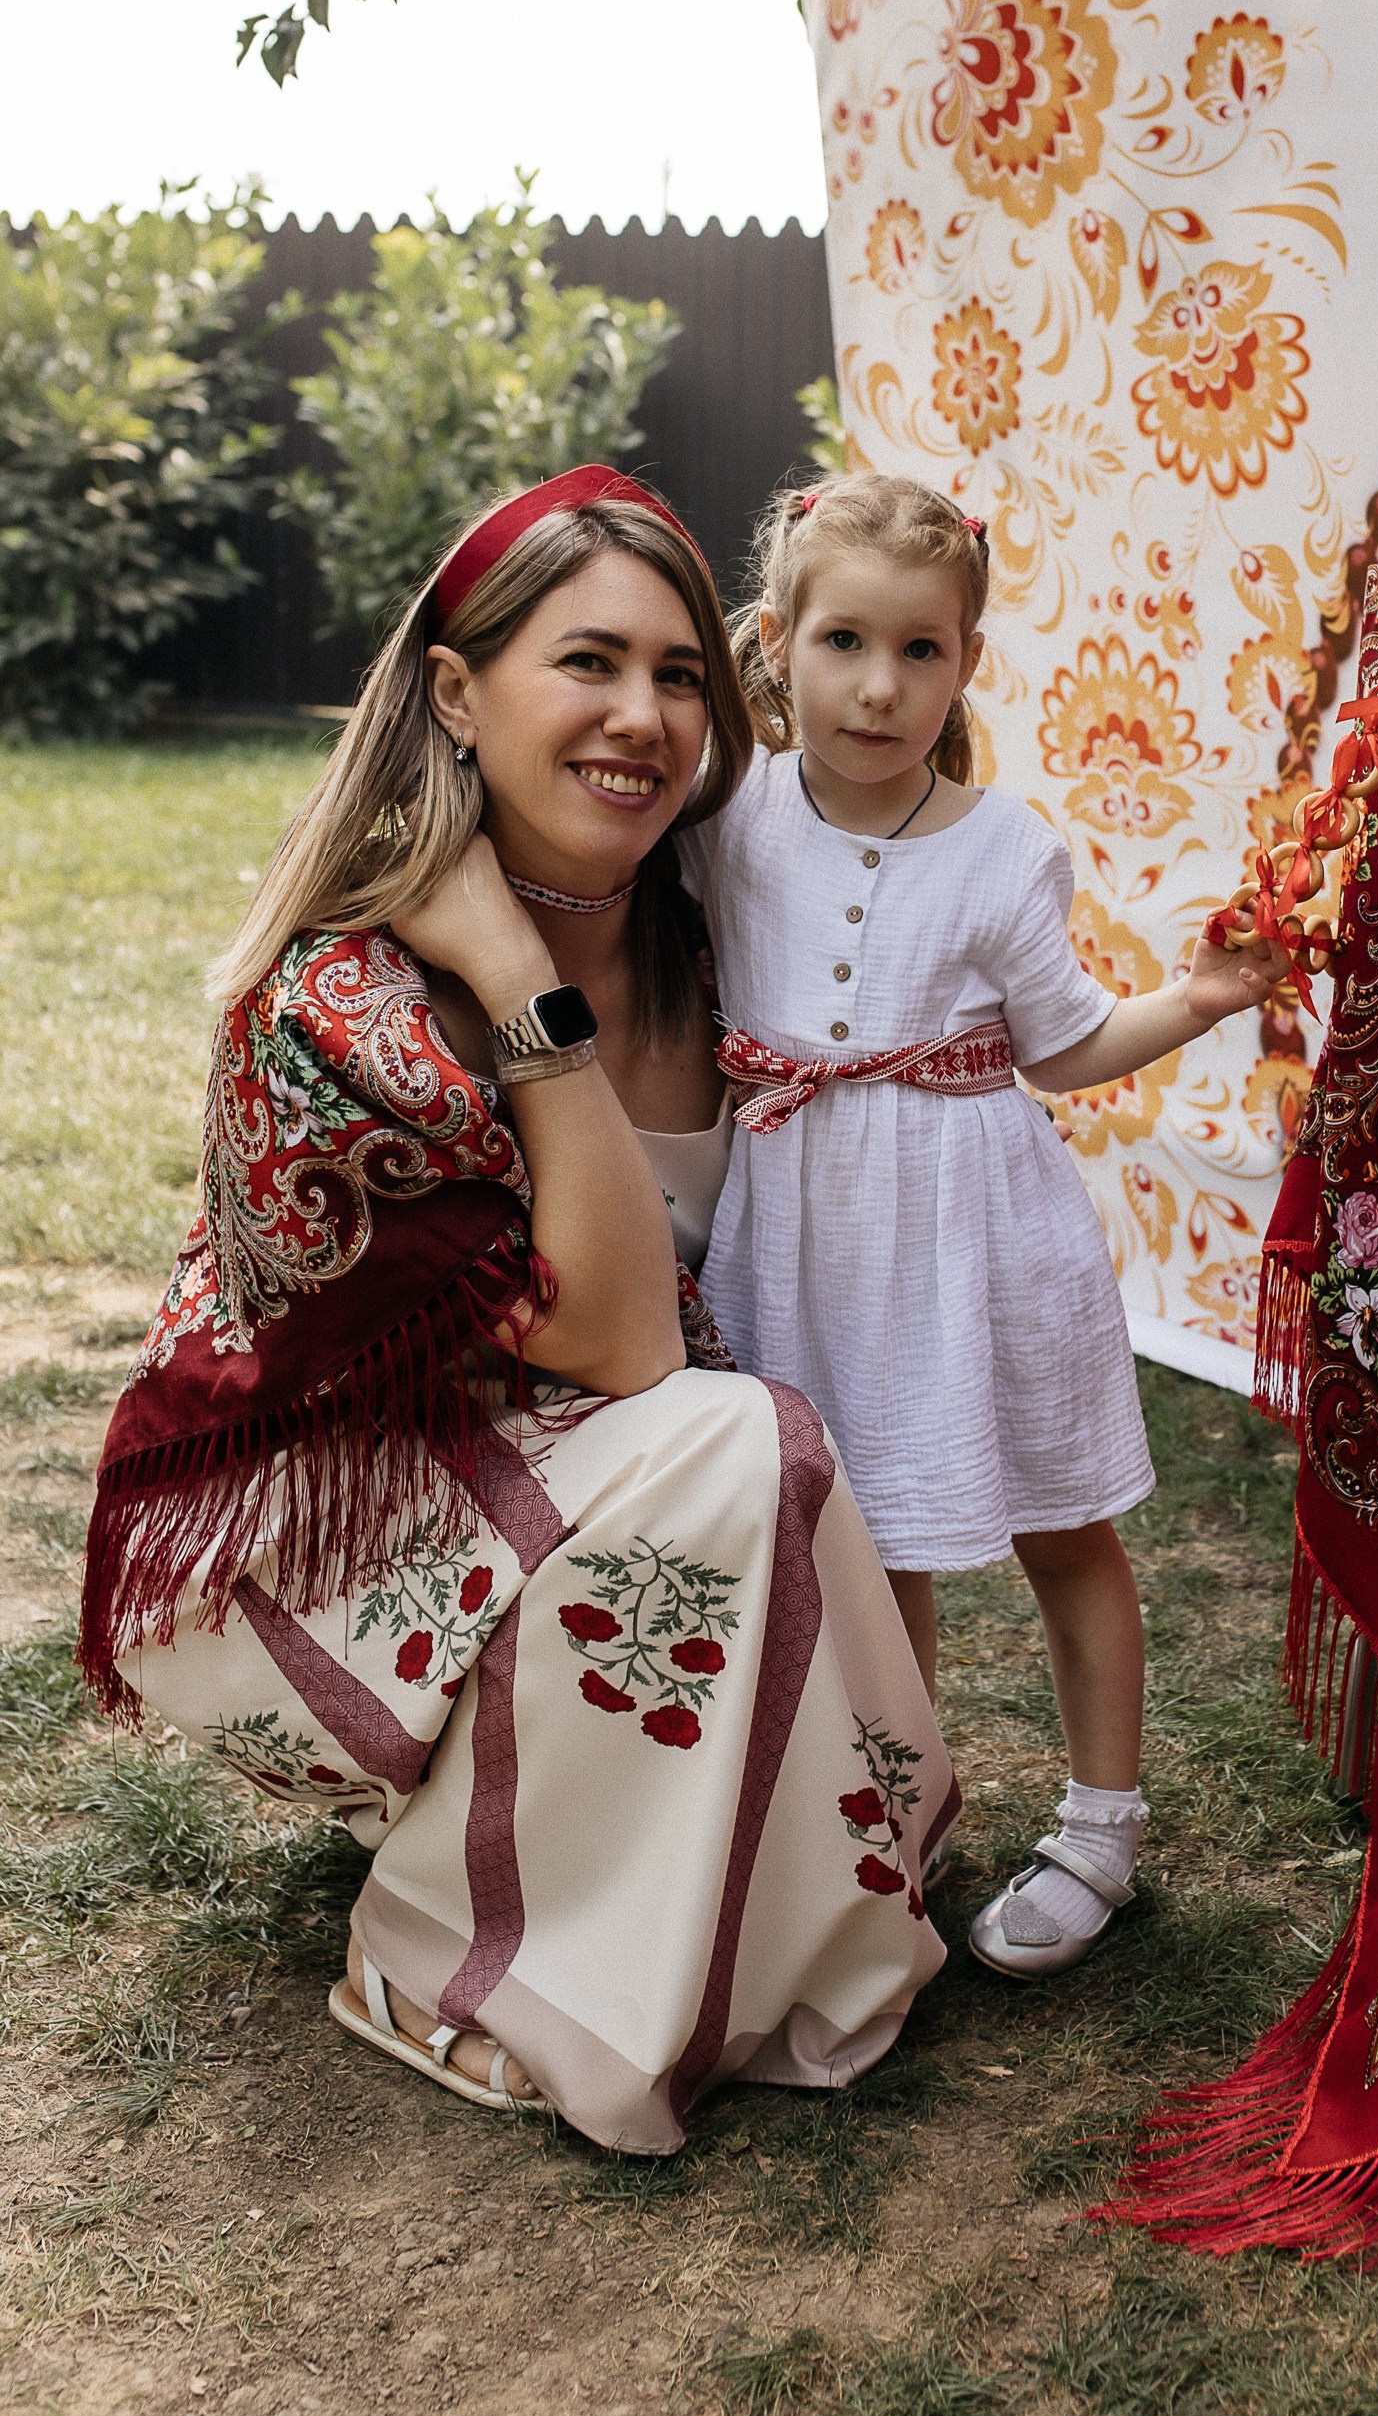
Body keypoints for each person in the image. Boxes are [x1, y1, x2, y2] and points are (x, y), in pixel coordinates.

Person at [80, 467, 957, 2150]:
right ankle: (449, 1957)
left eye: (683, 674)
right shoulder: (347, 1003)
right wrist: (516, 986)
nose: (643, 716)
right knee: (727, 1439)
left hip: (546, 1498)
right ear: (458, 693)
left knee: (733, 1450)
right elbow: (623, 1345)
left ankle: (743, 1889)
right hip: (293, 1563)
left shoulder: (707, 936)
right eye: (590, 664)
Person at [675, 473, 1283, 1981]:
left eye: (923, 651)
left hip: (975, 1235)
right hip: (801, 1225)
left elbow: (1058, 1043)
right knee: (865, 1544)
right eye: (844, 644)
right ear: (777, 643)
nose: (881, 688)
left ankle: (1101, 1834)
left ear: (967, 659)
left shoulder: (1005, 850)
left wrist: (1198, 1002)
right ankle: (896, 1830)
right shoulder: (727, 815)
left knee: (1058, 1525)